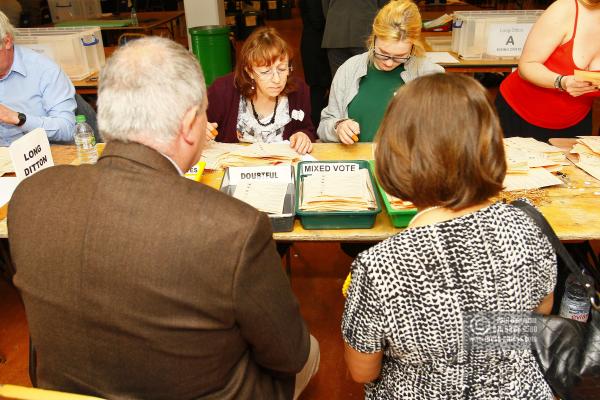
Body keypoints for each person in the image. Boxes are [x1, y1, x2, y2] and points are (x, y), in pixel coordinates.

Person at [8, 37, 319, 400]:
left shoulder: (30, 197)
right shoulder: (235, 228)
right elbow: (288, 352)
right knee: (310, 350)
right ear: (191, 124)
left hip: (63, 392)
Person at [342, 74, 556, 399]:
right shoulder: (530, 227)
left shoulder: (381, 266)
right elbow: (540, 313)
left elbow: (362, 371)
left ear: (398, 154)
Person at [318, 0, 444, 144]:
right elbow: (324, 126)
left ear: (413, 46)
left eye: (400, 56)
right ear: (374, 36)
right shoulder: (349, 69)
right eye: (383, 53)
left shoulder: (430, 75)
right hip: (359, 163)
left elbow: (444, 133)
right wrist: (338, 127)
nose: (389, 62)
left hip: (406, 165)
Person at [496, 0, 600, 141]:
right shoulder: (565, 9)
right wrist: (561, 81)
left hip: (575, 121)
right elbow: (527, 65)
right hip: (520, 115)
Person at [207, 27, 316, 155]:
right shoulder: (222, 90)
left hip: (280, 169)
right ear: (250, 71)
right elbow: (193, 128)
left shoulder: (299, 90)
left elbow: (307, 128)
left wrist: (303, 135)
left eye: (282, 69)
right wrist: (200, 132)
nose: (277, 79)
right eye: (265, 72)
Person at [0, 11, 75, 145]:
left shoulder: (45, 71)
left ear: (7, 41)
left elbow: (67, 128)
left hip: (39, 158)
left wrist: (17, 118)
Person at [321, 0, 389, 77]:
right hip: (365, 32)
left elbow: (325, 6)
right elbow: (386, 8)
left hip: (335, 34)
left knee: (339, 80)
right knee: (366, 80)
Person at [299, 0, 331, 128]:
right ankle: (315, 125)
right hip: (316, 47)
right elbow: (317, 20)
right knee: (318, 88)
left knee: (318, 88)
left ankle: (316, 124)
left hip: (314, 44)